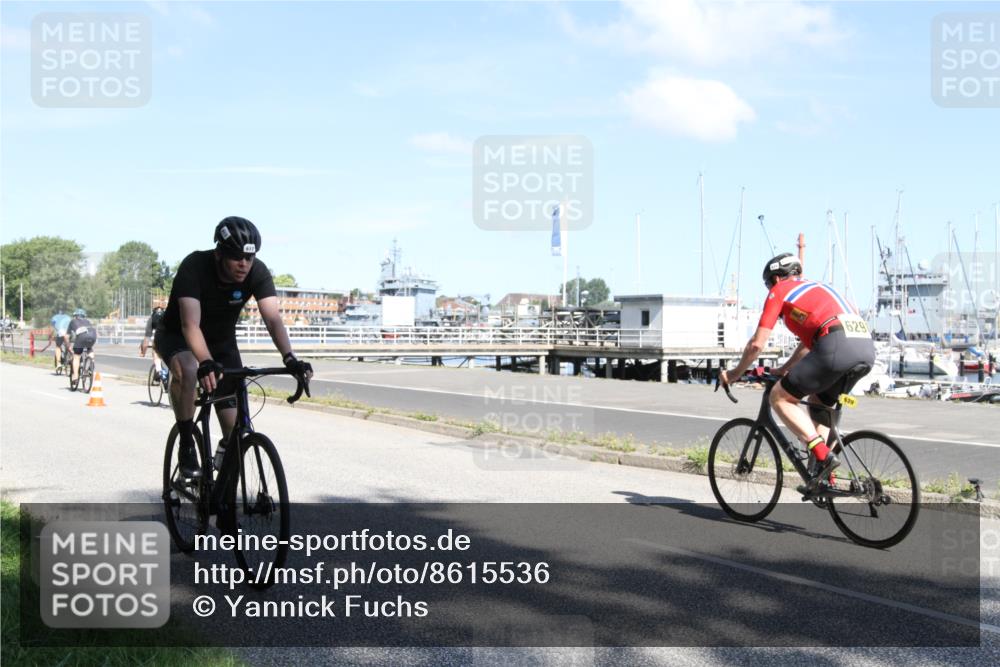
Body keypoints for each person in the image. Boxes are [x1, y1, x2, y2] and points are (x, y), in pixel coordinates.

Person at [154, 216, 312, 479]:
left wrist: (290, 358)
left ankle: (223, 490)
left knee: (235, 432)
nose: (244, 264)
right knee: (190, 369)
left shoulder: (257, 272)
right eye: (237, 257)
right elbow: (190, 325)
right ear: (219, 254)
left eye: (249, 258)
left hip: (221, 343)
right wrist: (205, 361)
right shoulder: (195, 266)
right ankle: (185, 444)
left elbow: (273, 319)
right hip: (178, 336)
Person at [720, 253, 875, 492]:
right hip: (864, 348)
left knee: (779, 398)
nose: (769, 289)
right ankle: (823, 476)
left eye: (768, 284)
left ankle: (823, 455)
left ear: (775, 278)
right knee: (817, 403)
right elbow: (808, 345)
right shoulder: (820, 288)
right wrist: (784, 369)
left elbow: (756, 345)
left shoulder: (780, 290)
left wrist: (734, 374)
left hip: (836, 346)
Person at [65, 308, 97, 385]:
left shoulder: (73, 321)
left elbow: (66, 336)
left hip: (82, 337)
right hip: (93, 335)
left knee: (76, 356)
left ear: (75, 316)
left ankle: (75, 376)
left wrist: (68, 346)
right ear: (84, 316)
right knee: (90, 349)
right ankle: (90, 363)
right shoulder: (88, 321)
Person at [140, 306, 167, 381]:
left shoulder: (151, 319)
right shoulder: (167, 316)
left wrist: (143, 352)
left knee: (155, 352)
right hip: (171, 339)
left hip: (159, 339)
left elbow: (146, 340)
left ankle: (159, 371)